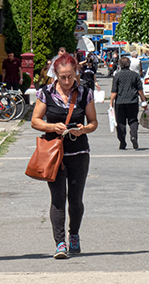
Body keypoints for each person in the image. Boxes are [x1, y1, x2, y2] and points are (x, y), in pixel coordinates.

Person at [31, 53, 98, 259]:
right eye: (63, 77)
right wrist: (52, 126)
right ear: (56, 75)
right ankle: (60, 243)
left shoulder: (85, 92)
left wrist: (83, 129)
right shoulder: (46, 93)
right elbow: (35, 121)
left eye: (70, 76)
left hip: (79, 153)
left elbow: (94, 122)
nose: (67, 81)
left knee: (75, 199)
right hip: (54, 155)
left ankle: (74, 234)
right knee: (58, 199)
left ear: (76, 73)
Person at [111, 57, 147, 150]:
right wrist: (144, 100)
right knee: (133, 120)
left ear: (120, 65)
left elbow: (114, 91)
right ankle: (134, 137)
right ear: (129, 64)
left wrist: (111, 102)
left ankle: (122, 142)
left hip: (120, 102)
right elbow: (140, 90)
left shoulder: (117, 76)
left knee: (120, 122)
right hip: (132, 101)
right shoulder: (135, 75)